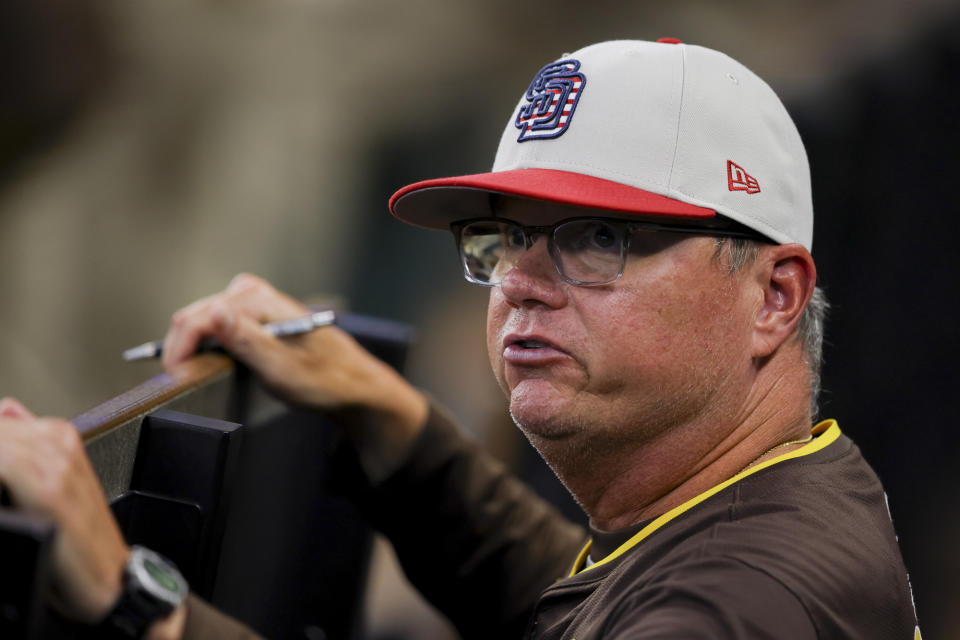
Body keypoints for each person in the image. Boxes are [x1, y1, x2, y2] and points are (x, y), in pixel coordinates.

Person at [0, 39, 921, 639]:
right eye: (509, 236)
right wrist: (388, 414)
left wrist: (135, 599)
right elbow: (566, 598)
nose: (520, 280)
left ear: (773, 296)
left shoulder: (741, 607)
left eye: (599, 239)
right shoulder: (755, 503)